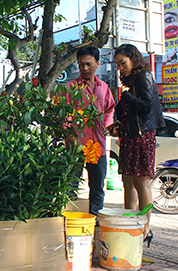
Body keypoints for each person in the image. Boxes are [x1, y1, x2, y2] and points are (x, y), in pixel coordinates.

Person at [113, 44, 165, 248]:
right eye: (118, 64)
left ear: (133, 58)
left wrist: (126, 96)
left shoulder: (144, 76)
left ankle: (145, 228)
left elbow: (147, 107)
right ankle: (130, 223)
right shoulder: (131, 80)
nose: (120, 68)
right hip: (129, 137)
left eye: (123, 63)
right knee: (127, 181)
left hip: (142, 137)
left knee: (141, 183)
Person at [63, 46, 116, 216]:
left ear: (97, 64)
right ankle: (67, 224)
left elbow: (110, 109)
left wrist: (106, 126)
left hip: (98, 148)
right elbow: (64, 119)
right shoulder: (71, 88)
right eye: (81, 65)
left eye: (88, 64)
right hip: (75, 148)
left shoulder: (104, 88)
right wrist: (74, 141)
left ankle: (95, 225)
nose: (84, 68)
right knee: (70, 187)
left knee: (98, 189)